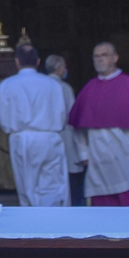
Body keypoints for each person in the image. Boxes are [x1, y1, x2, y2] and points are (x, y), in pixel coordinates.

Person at [68, 42, 129, 206]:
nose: (99, 60)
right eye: (96, 56)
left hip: (127, 160)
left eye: (104, 55)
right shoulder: (89, 90)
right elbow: (80, 129)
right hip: (99, 164)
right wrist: (84, 155)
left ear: (115, 58)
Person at [0, 42, 70, 206]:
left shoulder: (7, 85)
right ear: (38, 61)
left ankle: (32, 222)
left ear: (17, 62)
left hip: (21, 139)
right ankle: (53, 223)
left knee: (26, 185)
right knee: (52, 185)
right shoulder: (53, 84)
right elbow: (63, 115)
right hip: (49, 138)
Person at [45, 54, 85, 205]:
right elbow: (72, 113)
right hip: (65, 134)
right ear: (60, 68)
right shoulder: (64, 88)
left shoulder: (42, 85)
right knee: (70, 176)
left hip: (48, 136)